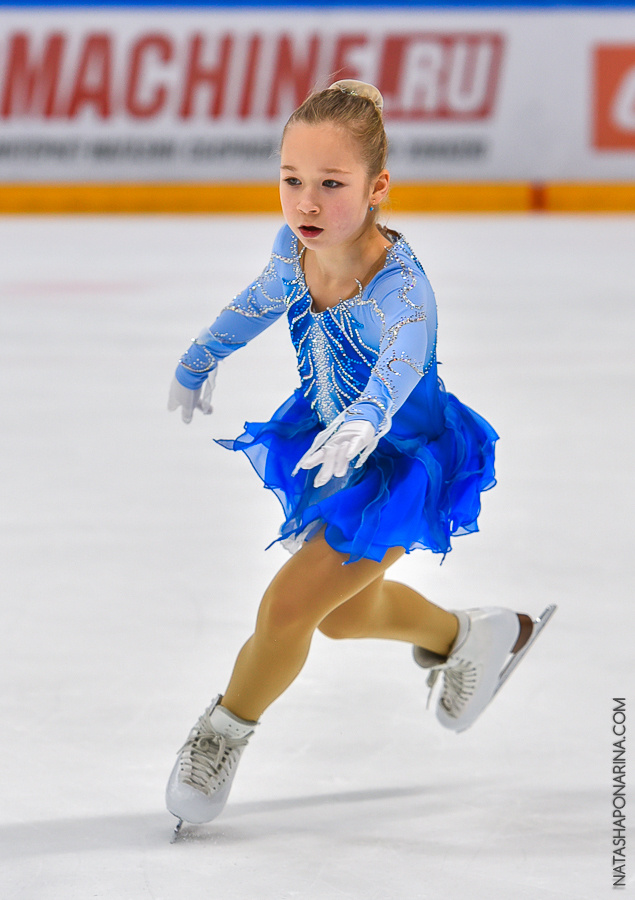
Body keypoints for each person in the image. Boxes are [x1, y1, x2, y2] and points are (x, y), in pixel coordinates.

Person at [165, 80, 555, 833]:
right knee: (338, 618)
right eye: (291, 180)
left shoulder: (400, 288)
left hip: (403, 463)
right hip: (335, 442)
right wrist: (199, 355)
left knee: (286, 607)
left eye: (330, 184)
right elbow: (263, 293)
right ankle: (472, 636)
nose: (306, 202)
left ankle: (222, 732)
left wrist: (368, 419)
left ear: (377, 188)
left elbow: (400, 363)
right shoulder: (296, 246)